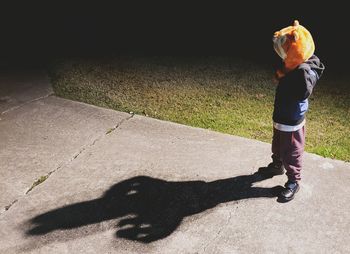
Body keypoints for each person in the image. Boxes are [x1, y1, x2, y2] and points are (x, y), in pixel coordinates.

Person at [258, 20, 325, 202]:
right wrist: (287, 68)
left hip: (292, 117)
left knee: (292, 150)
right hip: (281, 112)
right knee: (278, 143)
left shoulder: (305, 67)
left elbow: (304, 91)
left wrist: (299, 71)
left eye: (286, 51)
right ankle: (277, 164)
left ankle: (293, 181)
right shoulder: (292, 64)